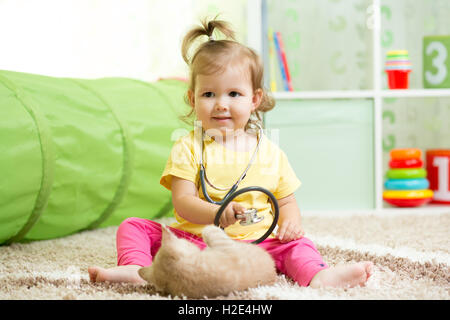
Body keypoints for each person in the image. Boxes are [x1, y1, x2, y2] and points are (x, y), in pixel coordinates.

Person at [88, 18, 373, 288]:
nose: (221, 104)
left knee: (298, 246)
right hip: (198, 239)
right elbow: (183, 203)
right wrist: (217, 213)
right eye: (209, 94)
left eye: (234, 94)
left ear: (254, 100)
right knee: (133, 226)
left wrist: (291, 223)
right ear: (193, 98)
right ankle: (136, 269)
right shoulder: (187, 147)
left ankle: (318, 276)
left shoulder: (270, 152)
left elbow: (286, 201)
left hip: (260, 243)